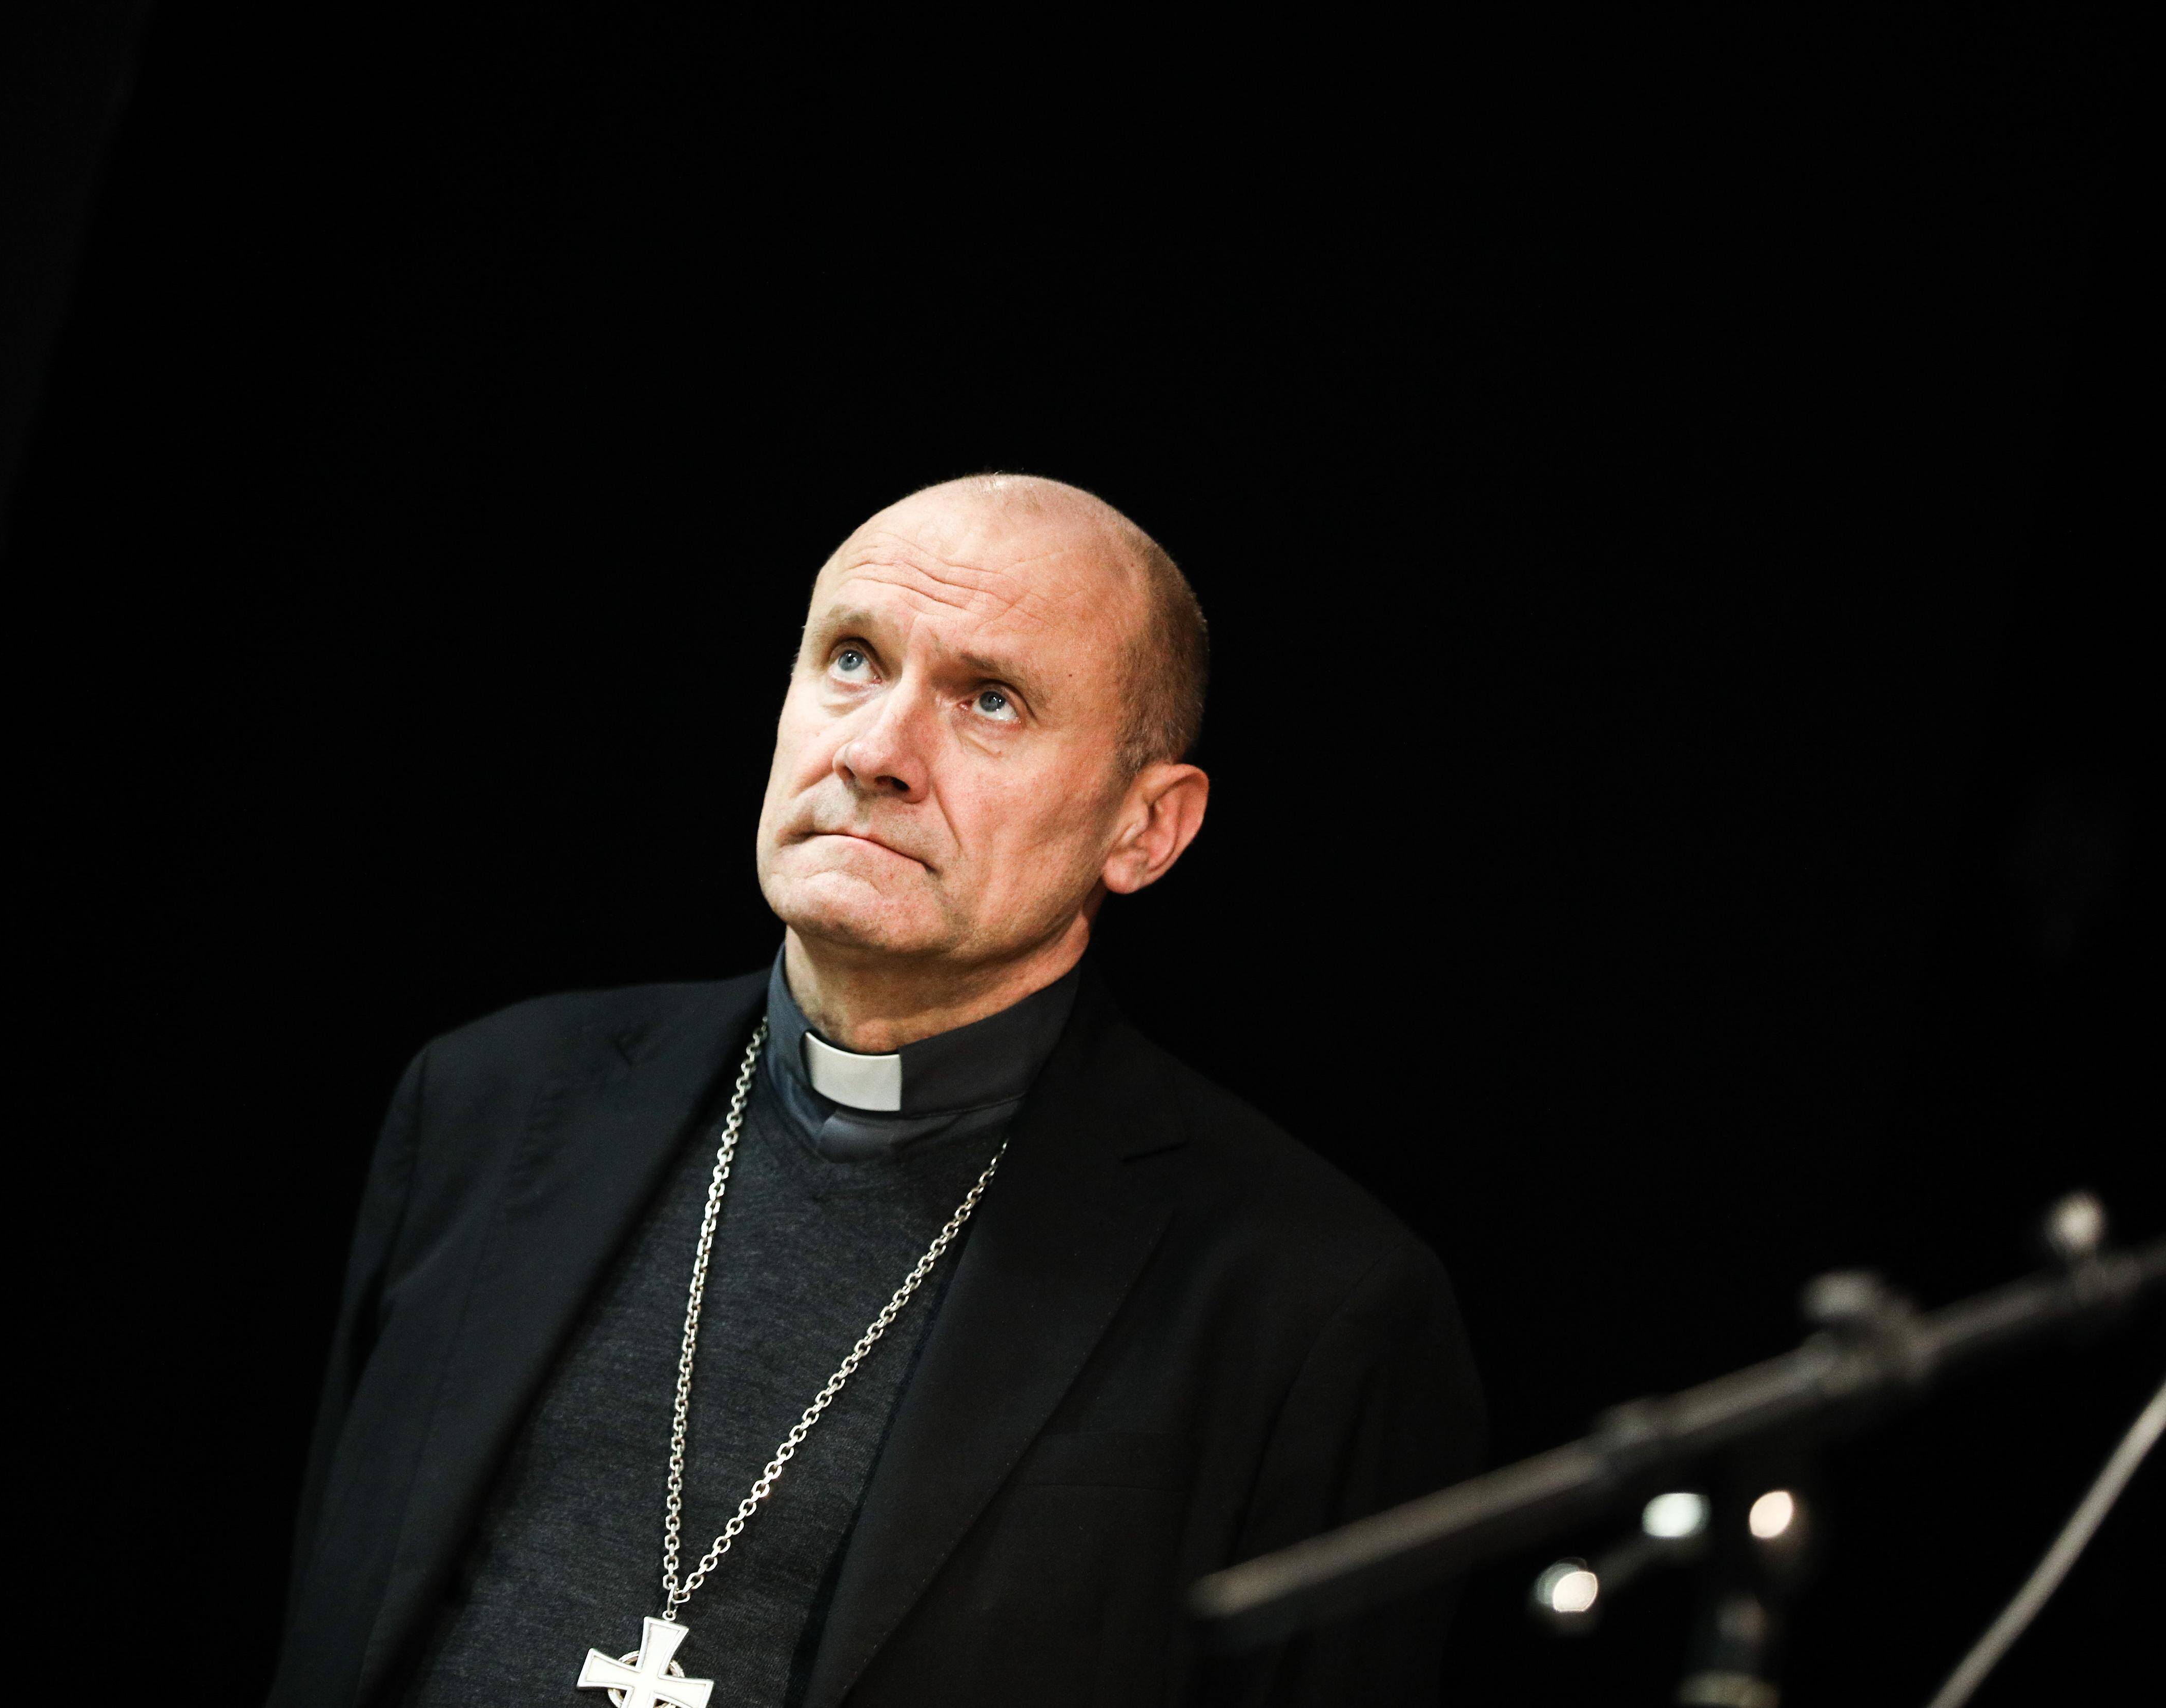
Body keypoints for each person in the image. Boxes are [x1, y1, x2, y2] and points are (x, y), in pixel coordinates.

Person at [265, 475, 1484, 1707]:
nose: (875, 750)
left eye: (990, 700)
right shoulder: (491, 1100)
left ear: (1146, 827)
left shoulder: (1311, 1305)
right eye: (852, 658)